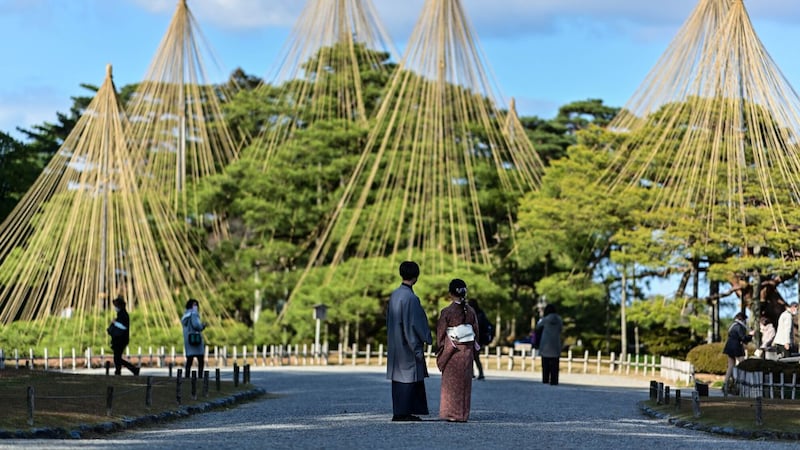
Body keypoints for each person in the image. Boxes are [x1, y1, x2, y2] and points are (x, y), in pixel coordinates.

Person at [386, 261, 432, 422]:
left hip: (395, 343)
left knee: (398, 379)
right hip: (407, 345)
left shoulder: (394, 295)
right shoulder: (411, 298)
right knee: (409, 378)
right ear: (416, 276)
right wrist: (423, 342)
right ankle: (405, 412)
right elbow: (415, 324)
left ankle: (399, 411)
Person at [437, 279, 479, 422]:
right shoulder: (471, 311)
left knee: (451, 383)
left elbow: (441, 334)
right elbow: (476, 332)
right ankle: (463, 414)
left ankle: (450, 414)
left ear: (450, 293)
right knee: (465, 383)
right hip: (466, 351)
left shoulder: (447, 312)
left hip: (452, 350)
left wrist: (441, 348)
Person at [107, 296, 139, 376]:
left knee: (117, 357)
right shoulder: (120, 314)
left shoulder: (124, 315)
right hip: (119, 339)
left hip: (121, 340)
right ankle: (119, 371)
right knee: (117, 357)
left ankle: (132, 369)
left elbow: (124, 326)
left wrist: (115, 323)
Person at [722, 312, 752, 395]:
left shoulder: (733, 325)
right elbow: (743, 338)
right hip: (736, 347)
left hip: (729, 346)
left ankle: (725, 384)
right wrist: (750, 335)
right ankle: (739, 384)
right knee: (742, 364)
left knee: (730, 366)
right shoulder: (739, 326)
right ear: (742, 319)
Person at [535, 303, 563, 385]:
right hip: (556, 344)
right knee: (555, 364)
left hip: (546, 344)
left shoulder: (545, 320)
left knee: (545, 364)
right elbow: (561, 329)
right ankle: (554, 380)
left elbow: (538, 327)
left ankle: (545, 379)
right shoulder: (559, 319)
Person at [181, 298, 207, 379]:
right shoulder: (194, 314)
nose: (196, 307)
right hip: (196, 340)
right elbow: (196, 325)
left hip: (188, 340)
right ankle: (200, 377)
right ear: (193, 306)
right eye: (195, 305)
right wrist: (203, 326)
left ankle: (187, 376)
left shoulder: (185, 315)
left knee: (189, 360)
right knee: (200, 359)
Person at [469, 298, 491, 380]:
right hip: (476, 338)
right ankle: (476, 373)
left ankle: (476, 373)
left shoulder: (475, 314)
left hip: (475, 338)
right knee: (474, 357)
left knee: (474, 356)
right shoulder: (479, 313)